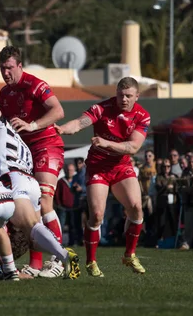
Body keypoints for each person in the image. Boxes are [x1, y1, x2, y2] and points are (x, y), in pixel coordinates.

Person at [0, 98, 80, 279]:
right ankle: (9, 268)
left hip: (10, 178)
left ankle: (63, 256)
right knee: (31, 231)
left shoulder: (1, 125)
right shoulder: (17, 137)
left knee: (18, 226)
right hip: (29, 182)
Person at [55, 77, 150, 277]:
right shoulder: (102, 108)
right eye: (120, 95)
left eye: (128, 96)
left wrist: (107, 143)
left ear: (137, 96)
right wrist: (63, 129)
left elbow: (133, 147)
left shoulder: (142, 116)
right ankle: (91, 261)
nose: (123, 99)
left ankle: (129, 255)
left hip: (121, 166)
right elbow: (80, 123)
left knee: (136, 208)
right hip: (98, 166)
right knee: (97, 215)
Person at [0, 45, 66, 275]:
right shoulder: (4, 94)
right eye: (2, 68)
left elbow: (58, 111)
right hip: (23, 152)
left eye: (9, 68)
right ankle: (36, 265)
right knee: (31, 207)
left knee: (45, 201)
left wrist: (32, 125)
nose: (5, 73)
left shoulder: (35, 84)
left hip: (47, 145)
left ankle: (58, 260)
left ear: (19, 66)